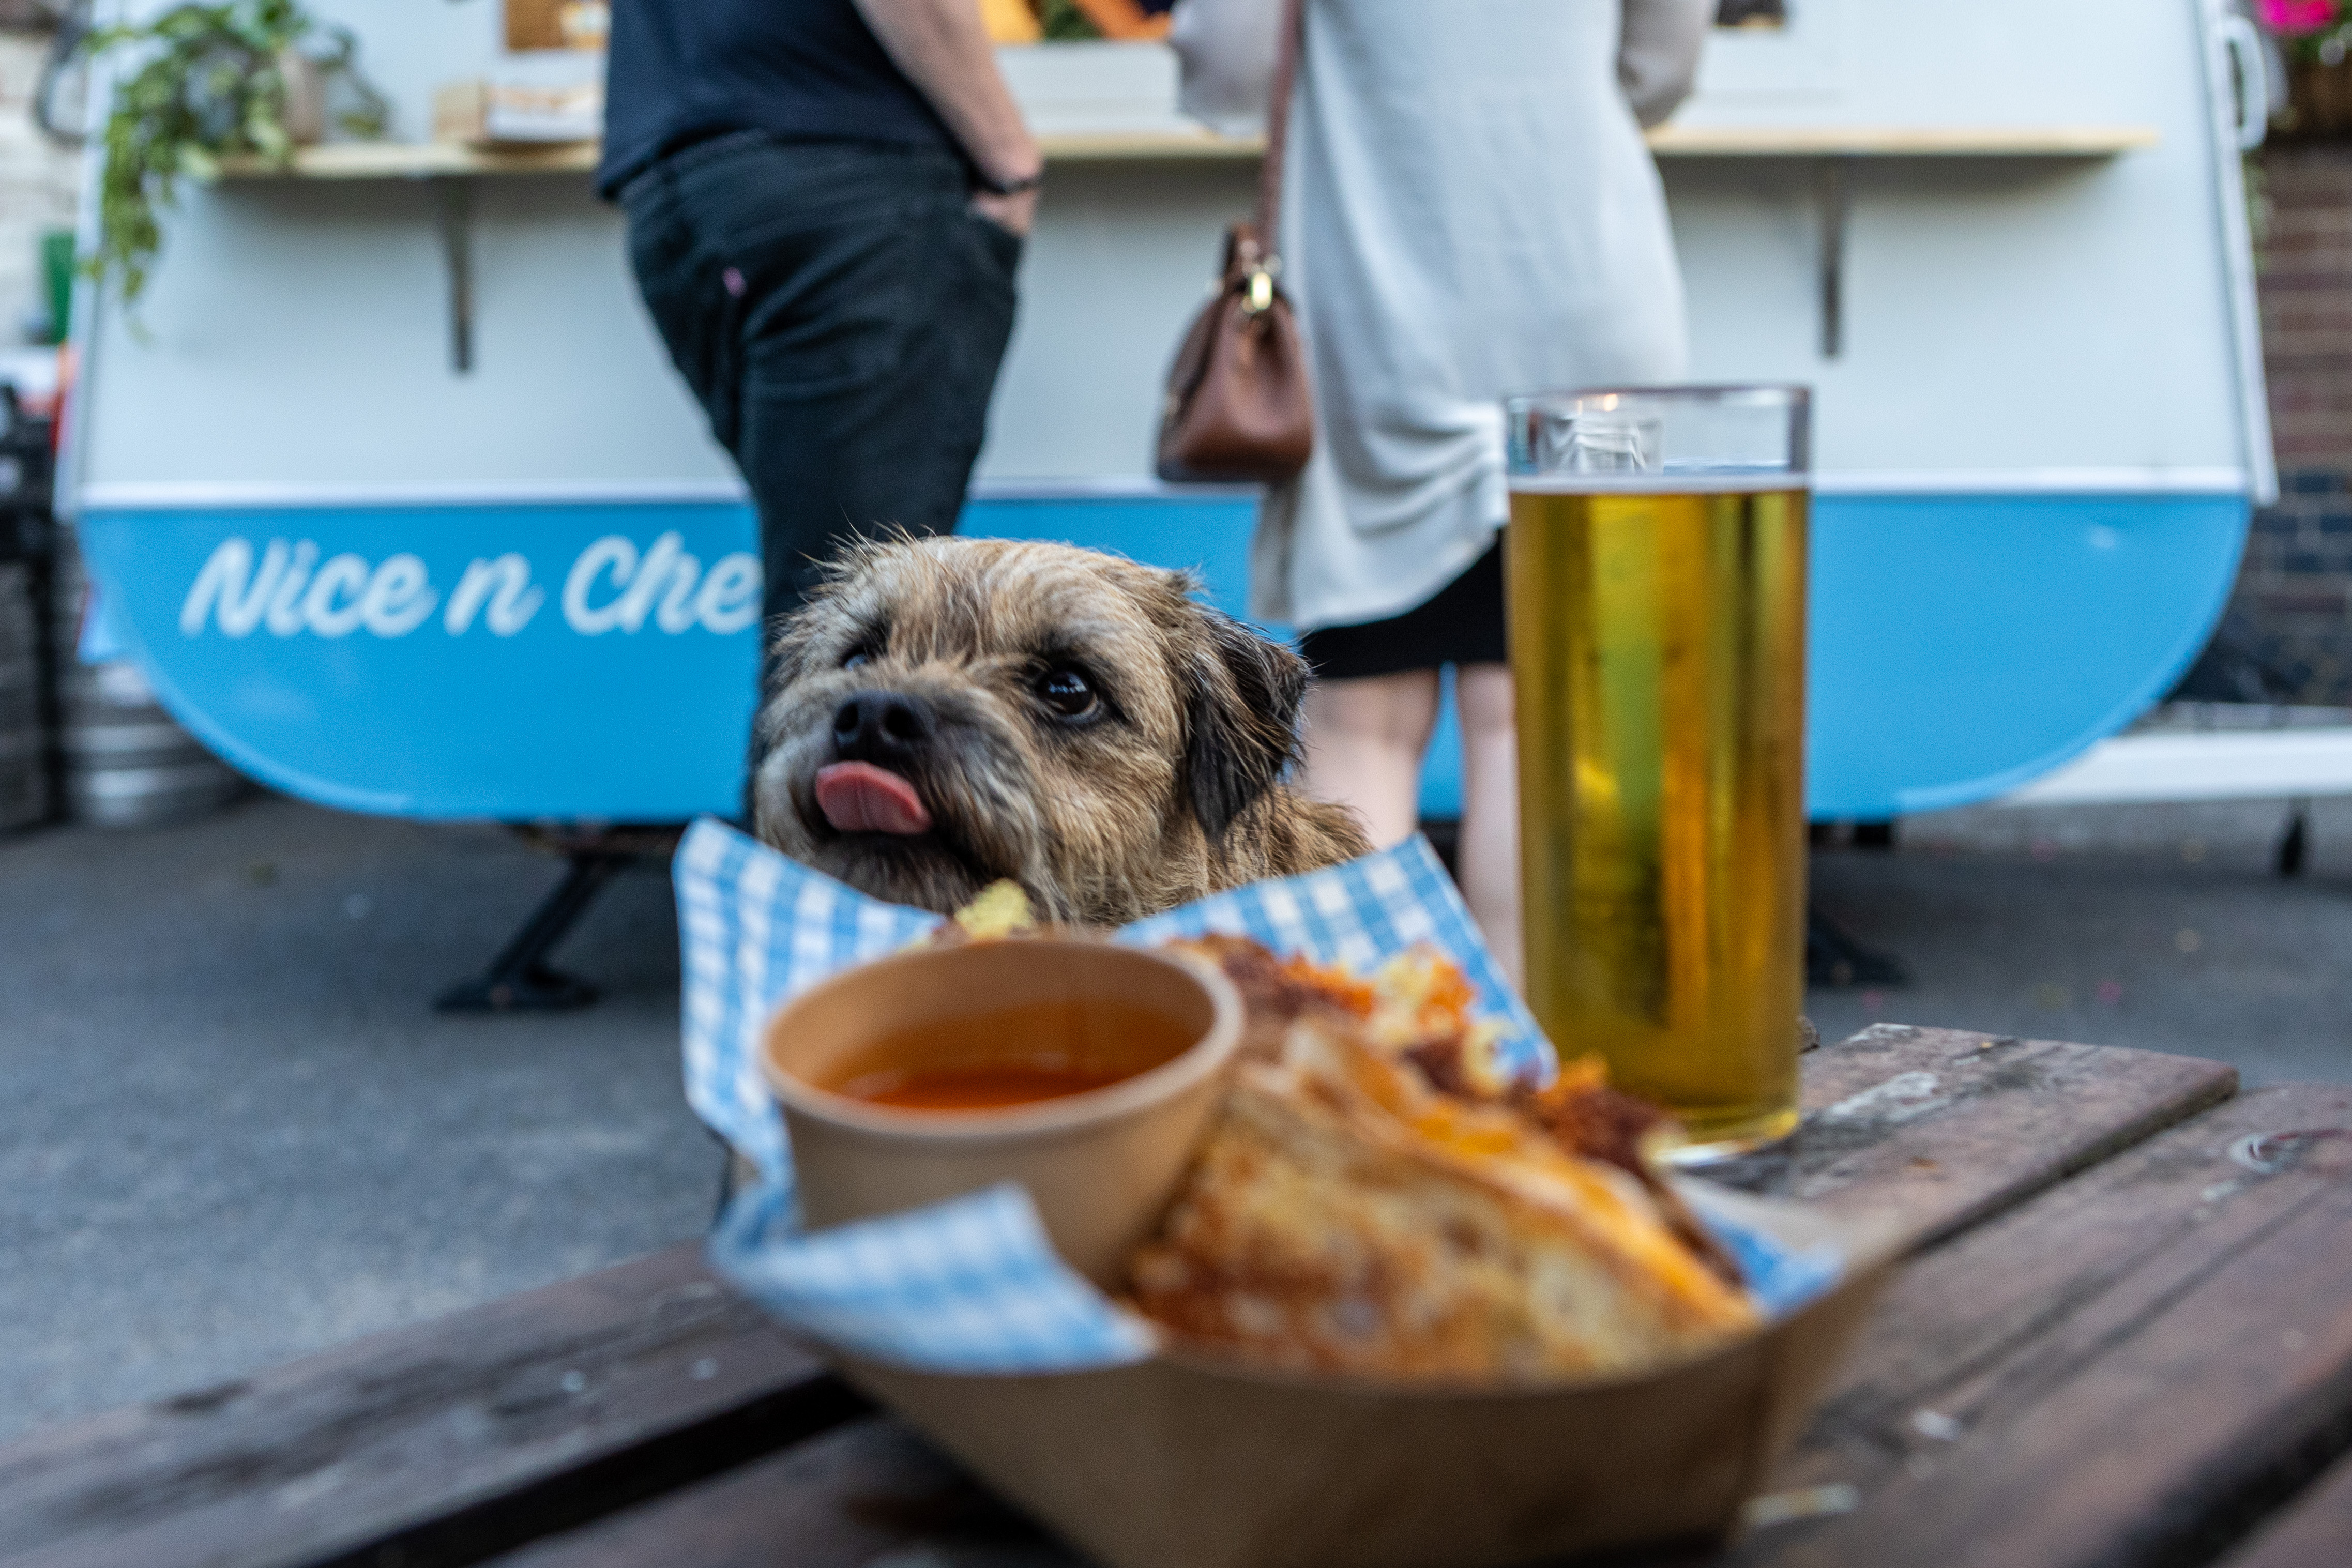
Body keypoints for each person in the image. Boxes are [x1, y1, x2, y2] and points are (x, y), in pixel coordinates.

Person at [1242, 0, 1713, 986]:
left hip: (1377, 322)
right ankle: (1534, 1069)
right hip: (1595, 317)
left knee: (1361, 716)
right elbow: (1660, 68)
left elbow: (1229, 64)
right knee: (1542, 713)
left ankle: (1374, 1064)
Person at [599, 0, 1045, 643]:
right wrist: (1011, 162)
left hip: (684, 186)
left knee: (836, 607)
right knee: (858, 620)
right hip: (846, 183)